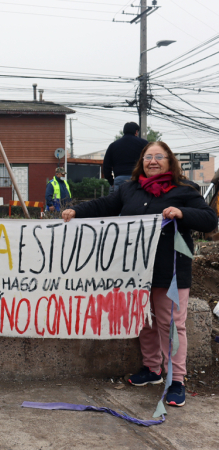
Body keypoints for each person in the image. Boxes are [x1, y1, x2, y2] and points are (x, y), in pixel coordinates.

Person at [62, 141, 216, 408]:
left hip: (172, 270)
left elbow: (209, 220)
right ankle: (152, 370)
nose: (152, 161)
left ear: (170, 161)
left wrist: (182, 213)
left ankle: (176, 380)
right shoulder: (129, 189)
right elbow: (104, 205)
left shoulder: (185, 190)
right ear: (141, 162)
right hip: (138, 271)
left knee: (171, 327)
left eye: (159, 156)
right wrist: (76, 211)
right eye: (147, 157)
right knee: (144, 321)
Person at [104, 122, 148, 193]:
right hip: (138, 179)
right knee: (137, 202)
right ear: (136, 132)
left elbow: (106, 165)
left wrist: (111, 181)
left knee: (118, 202)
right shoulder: (144, 144)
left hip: (120, 179)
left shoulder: (113, 145)